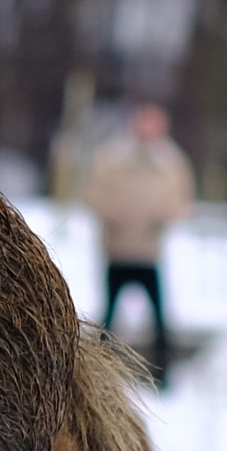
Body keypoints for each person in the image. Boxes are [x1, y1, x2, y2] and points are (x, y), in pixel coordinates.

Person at [82, 103, 193, 382]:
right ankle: (98, 372)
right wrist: (115, 216)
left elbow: (181, 202)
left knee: (158, 320)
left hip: (149, 253)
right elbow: (93, 195)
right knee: (108, 317)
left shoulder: (171, 164)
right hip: (117, 251)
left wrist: (158, 219)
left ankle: (163, 374)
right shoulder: (110, 159)